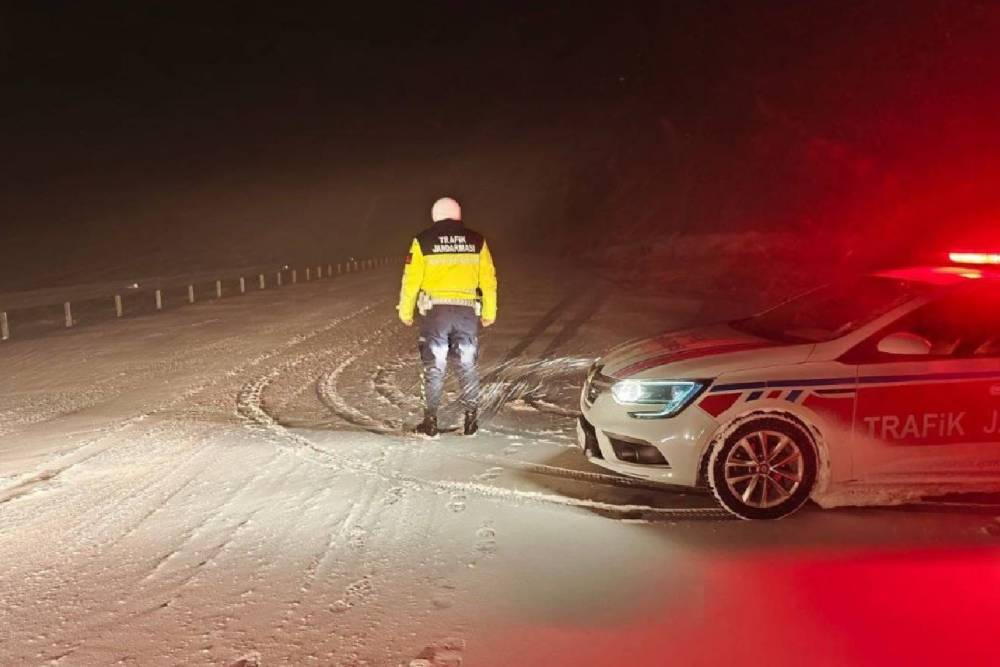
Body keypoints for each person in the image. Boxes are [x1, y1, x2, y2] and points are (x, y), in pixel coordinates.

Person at [398, 196, 498, 436]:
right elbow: (488, 279)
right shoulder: (477, 241)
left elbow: (411, 281)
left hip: (436, 314)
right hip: (466, 313)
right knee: (467, 364)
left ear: (435, 214)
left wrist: (405, 311)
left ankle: (430, 422)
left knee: (434, 365)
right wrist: (489, 311)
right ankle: (471, 420)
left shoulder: (422, 241)